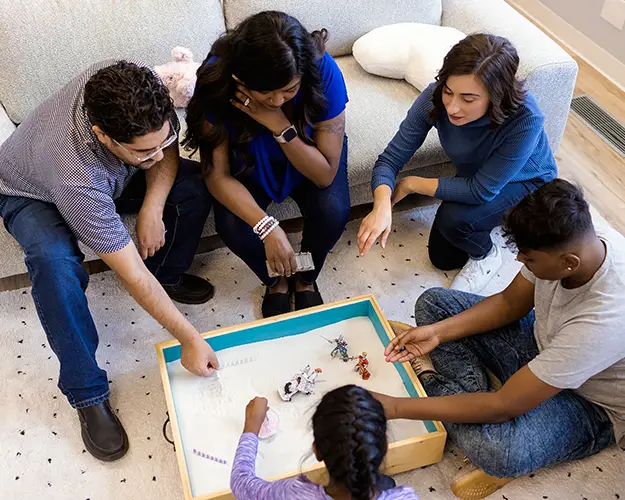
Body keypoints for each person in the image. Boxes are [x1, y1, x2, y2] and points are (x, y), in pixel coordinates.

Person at [0, 61, 220, 461]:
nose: (158, 155)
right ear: (103, 135)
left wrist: (153, 204)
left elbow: (162, 147)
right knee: (54, 266)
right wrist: (189, 337)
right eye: (144, 151)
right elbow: (130, 271)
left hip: (113, 172)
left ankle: (167, 277)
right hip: (30, 191)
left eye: (162, 141)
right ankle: (87, 392)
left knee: (195, 187)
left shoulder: (135, 90)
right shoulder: (74, 173)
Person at [377, 180, 624, 499]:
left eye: (530, 259)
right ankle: (468, 404)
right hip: (545, 345)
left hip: (591, 403)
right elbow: (510, 303)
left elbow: (502, 405)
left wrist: (396, 407)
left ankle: (436, 386)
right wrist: (437, 333)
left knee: (497, 450)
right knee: (435, 305)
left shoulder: (606, 317)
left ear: (569, 263)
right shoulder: (568, 235)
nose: (520, 261)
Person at [358, 34, 557, 294]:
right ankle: (498, 220)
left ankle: (488, 254)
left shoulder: (526, 118)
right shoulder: (434, 96)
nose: (452, 107)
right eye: (449, 92)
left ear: (496, 96)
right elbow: (390, 158)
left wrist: (411, 183)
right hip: (476, 177)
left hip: (527, 182)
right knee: (443, 258)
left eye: (468, 99)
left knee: (455, 222)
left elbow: (480, 191)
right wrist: (381, 204)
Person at [183, 11, 350, 318]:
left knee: (333, 210)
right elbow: (216, 176)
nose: (276, 101)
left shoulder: (322, 68)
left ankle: (305, 277)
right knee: (233, 226)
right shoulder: (215, 78)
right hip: (245, 155)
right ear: (239, 78)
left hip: (306, 149)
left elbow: (325, 174)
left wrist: (279, 126)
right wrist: (268, 228)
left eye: (289, 90)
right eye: (265, 92)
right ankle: (275, 281)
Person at [231, 385, 419, 499]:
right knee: (387, 483)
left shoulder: (293, 494)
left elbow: (241, 483)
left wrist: (251, 428)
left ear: (317, 450)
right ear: (385, 446)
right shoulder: (407, 497)